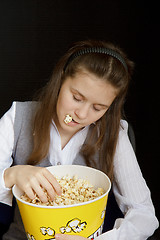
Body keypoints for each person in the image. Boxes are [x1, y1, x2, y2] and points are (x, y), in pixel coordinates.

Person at [0, 39, 158, 240]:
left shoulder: (114, 134)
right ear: (61, 79)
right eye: (76, 97)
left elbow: (144, 215)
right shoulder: (17, 118)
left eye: (98, 108)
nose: (82, 114)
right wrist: (12, 175)